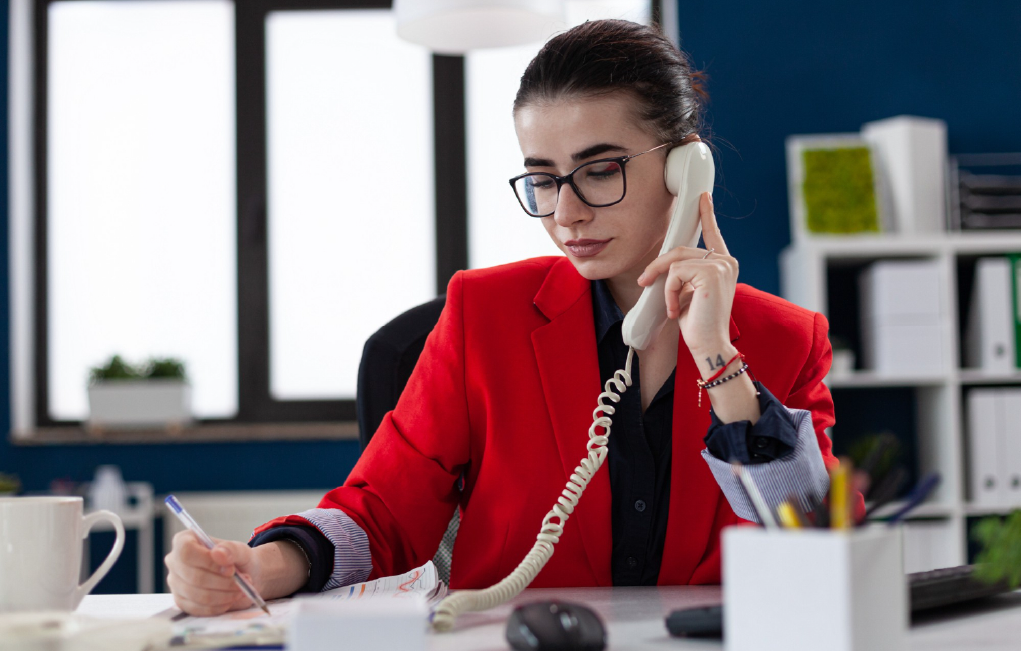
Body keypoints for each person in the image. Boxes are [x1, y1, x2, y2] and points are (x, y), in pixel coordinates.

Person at [165, 19, 851, 616]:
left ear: (683, 167)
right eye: (544, 177)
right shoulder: (483, 315)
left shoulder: (785, 340)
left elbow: (814, 550)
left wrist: (717, 358)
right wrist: (260, 567)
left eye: (599, 169)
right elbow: (380, 512)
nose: (566, 211)